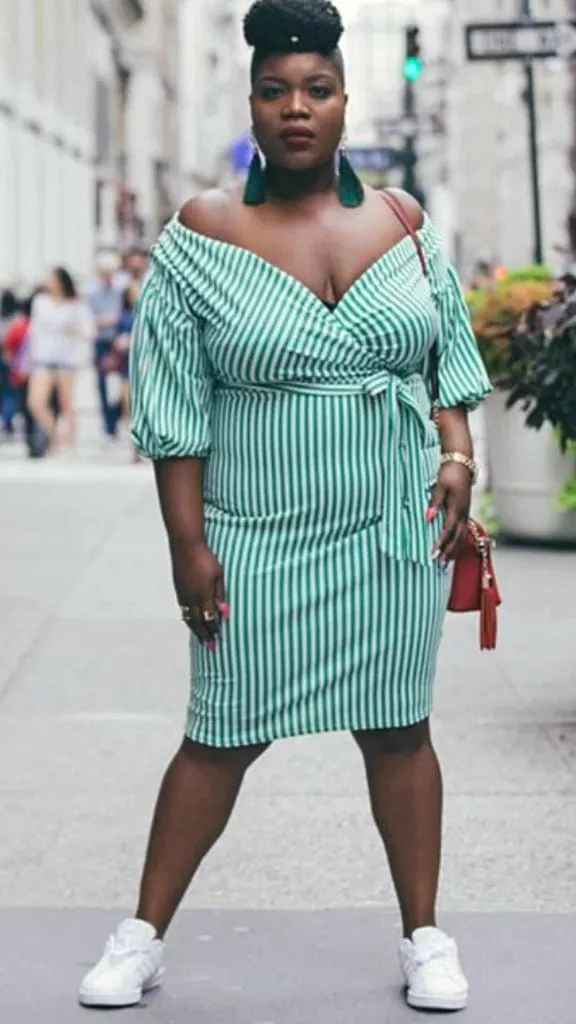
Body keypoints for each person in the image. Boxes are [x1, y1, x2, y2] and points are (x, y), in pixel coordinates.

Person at [79, 0, 491, 1014]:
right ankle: (142, 935)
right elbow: (173, 409)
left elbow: (446, 361)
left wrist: (457, 453)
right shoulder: (202, 233)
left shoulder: (403, 223)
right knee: (219, 732)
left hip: (391, 531)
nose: (296, 108)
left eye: (316, 89)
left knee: (399, 730)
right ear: (252, 105)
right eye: (275, 91)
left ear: (347, 101)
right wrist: (189, 544)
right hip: (256, 536)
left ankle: (425, 935)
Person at [27, 267, 93, 453]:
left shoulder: (76, 305)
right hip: (43, 358)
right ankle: (55, 435)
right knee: (36, 402)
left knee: (67, 403)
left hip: (66, 360)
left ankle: (70, 442)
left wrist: (73, 329)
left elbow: (88, 332)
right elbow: (34, 331)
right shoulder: (40, 302)